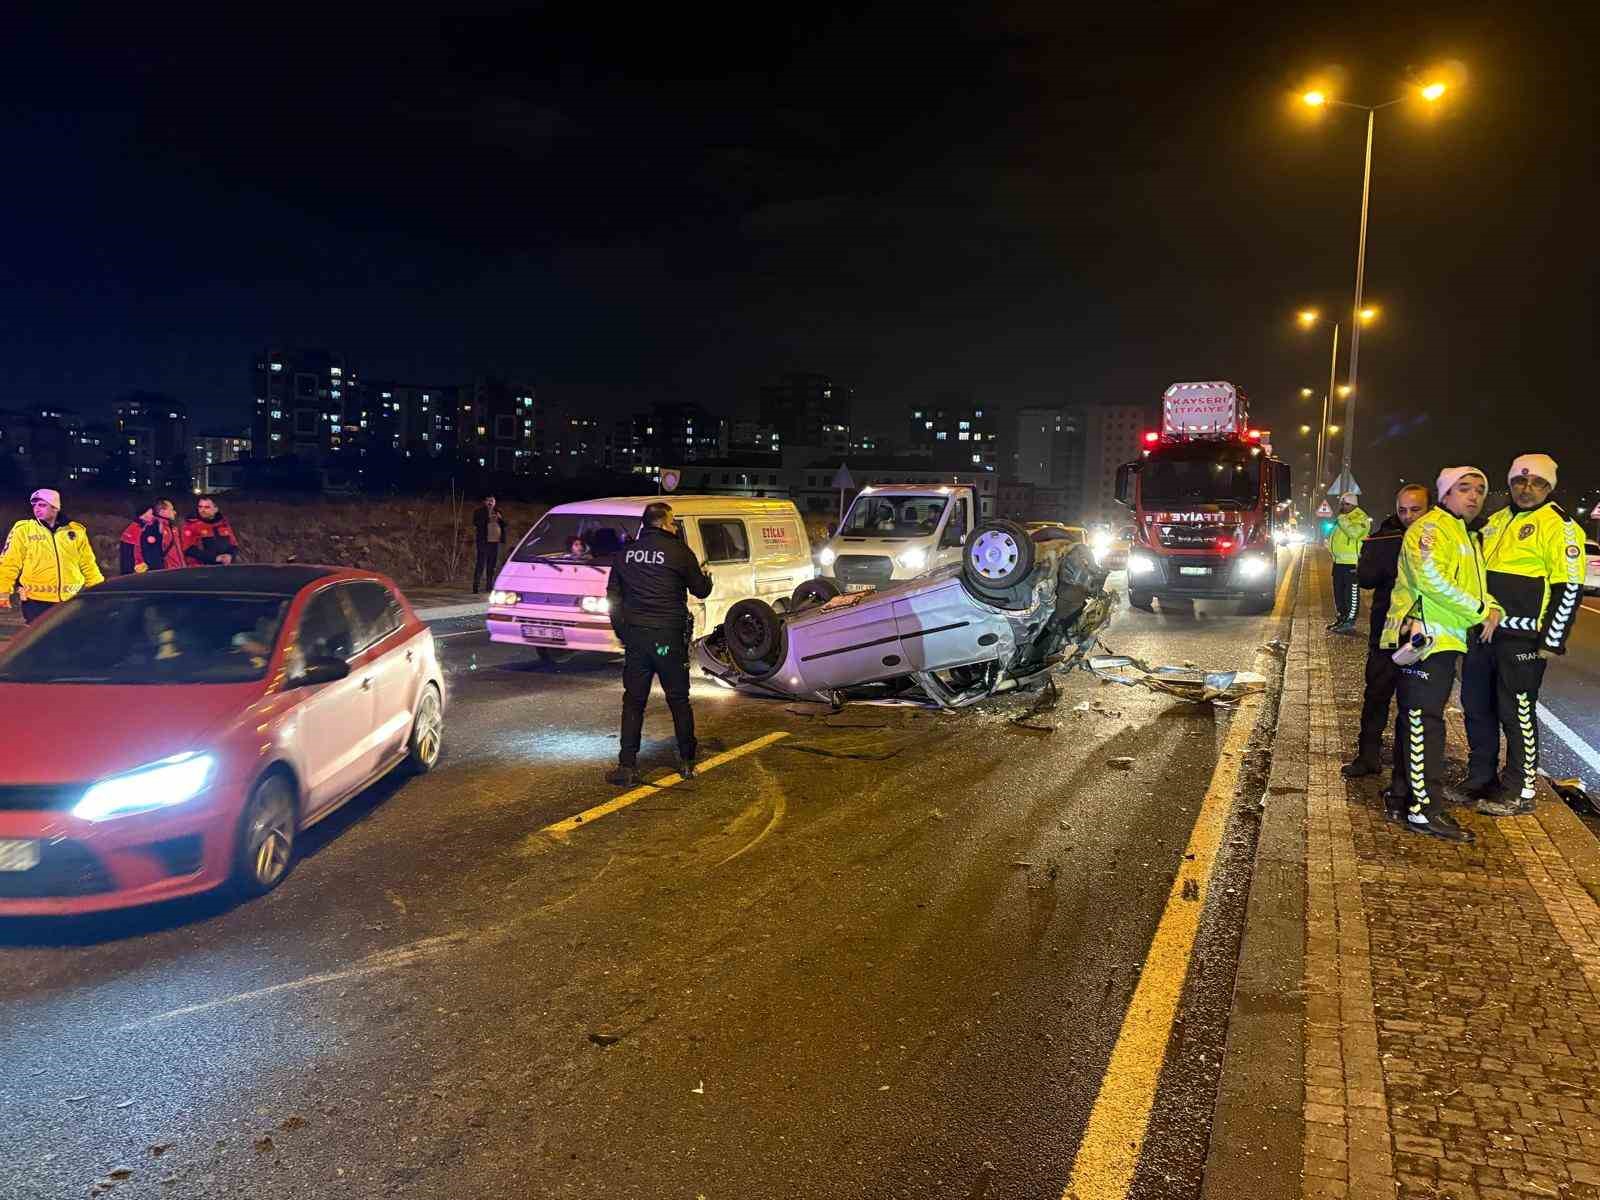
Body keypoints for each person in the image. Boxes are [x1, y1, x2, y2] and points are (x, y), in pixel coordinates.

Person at [1460, 454, 1586, 816]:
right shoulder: (1497, 521)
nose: (1526, 489)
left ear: (1549, 487)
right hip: (1483, 633)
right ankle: (1480, 778)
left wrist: (1551, 639)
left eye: (1537, 483)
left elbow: (1569, 587)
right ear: (1511, 482)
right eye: (1520, 481)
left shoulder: (1559, 527)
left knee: (1516, 713)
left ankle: (1521, 787)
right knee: (1477, 707)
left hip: (1524, 639)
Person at [1380, 467, 1501, 843]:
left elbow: (1475, 584)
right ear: (1445, 493)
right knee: (1423, 724)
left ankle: (1402, 796)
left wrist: (1491, 604)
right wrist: (1482, 611)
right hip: (1424, 639)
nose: (1474, 496)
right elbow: (1431, 580)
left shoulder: (1462, 533)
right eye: (1464, 488)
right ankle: (1423, 809)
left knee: (1416, 722)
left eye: (1480, 490)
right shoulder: (1431, 530)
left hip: (1442, 641)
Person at [604, 501, 713, 786]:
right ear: (664, 523)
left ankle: (627, 767)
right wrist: (706, 575)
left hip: (637, 639)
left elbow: (613, 598)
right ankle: (687, 762)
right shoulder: (679, 552)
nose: (675, 526)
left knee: (633, 702)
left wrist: (623, 633)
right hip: (668, 640)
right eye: (673, 521)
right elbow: (700, 590)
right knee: (678, 700)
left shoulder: (625, 554)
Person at [1342, 484, 1430, 820]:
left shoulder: (1438, 537)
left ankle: (1406, 774)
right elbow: (1365, 577)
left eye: (1415, 510)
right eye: (1404, 510)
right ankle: (1367, 758)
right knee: (1376, 695)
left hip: (1424, 637)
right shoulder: (1385, 535)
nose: (1408, 517)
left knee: (1414, 707)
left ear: (1428, 509)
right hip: (1386, 631)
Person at [0, 488, 106, 623]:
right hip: (36, 602)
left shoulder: (75, 531)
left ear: (55, 507)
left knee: (69, 639)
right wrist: (3, 591)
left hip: (70, 600)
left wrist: (101, 590)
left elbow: (88, 563)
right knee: (40, 642)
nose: (37, 509)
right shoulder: (24, 530)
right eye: (35, 505)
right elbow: (10, 562)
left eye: (42, 505)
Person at [1327, 493, 1372, 631]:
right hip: (1338, 562)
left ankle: (1350, 621)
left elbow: (1354, 533)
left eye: (1346, 504)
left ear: (1354, 505)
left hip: (1352, 563)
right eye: (1342, 504)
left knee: (1350, 594)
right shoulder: (1343, 518)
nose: (1343, 507)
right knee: (1338, 593)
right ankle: (1341, 618)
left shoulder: (1361, 518)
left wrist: (1342, 520)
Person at [119, 496, 185, 574]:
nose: (152, 516)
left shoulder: (169, 526)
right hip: (157, 573)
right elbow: (131, 556)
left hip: (172, 571)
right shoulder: (151, 528)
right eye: (150, 514)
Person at [182, 497, 239, 566]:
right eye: (200, 507)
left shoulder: (224, 524)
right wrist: (214, 558)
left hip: (225, 568)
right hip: (201, 570)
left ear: (216, 509)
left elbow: (234, 545)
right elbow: (188, 550)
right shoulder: (191, 525)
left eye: (207, 507)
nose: (202, 510)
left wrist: (230, 555)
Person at [472, 495, 507, 593]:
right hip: (483, 542)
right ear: (485, 502)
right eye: (488, 501)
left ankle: (489, 586)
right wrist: (487, 518)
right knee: (480, 564)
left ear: (495, 502)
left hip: (495, 542)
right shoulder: (479, 511)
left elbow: (505, 525)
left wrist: (500, 519)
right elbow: (476, 523)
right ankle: (476, 587)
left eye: (492, 501)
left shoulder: (498, 511)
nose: (490, 502)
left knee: (492, 565)